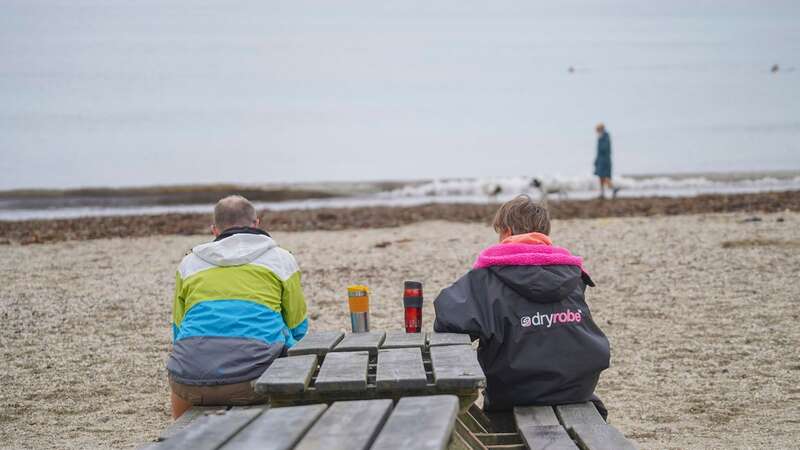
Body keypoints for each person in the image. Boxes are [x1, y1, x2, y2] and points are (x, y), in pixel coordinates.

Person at [433, 195, 610, 414]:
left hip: (515, 393)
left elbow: (447, 319)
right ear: (544, 234)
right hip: (576, 388)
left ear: (506, 232)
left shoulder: (486, 279)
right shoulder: (571, 275)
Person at [166, 195, 308, 418]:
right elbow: (298, 326)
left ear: (214, 230)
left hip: (190, 384)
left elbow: (178, 329)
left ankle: (179, 432)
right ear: (257, 223)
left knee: (184, 361)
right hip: (255, 380)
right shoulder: (281, 259)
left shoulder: (189, 264)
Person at [594, 123, 619, 199]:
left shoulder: (605, 136)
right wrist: (596, 160)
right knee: (601, 177)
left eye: (597, 130)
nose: (597, 132)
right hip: (601, 160)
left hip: (605, 160)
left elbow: (604, 149)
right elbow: (598, 151)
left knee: (605, 177)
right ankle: (602, 193)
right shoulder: (601, 137)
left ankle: (613, 188)